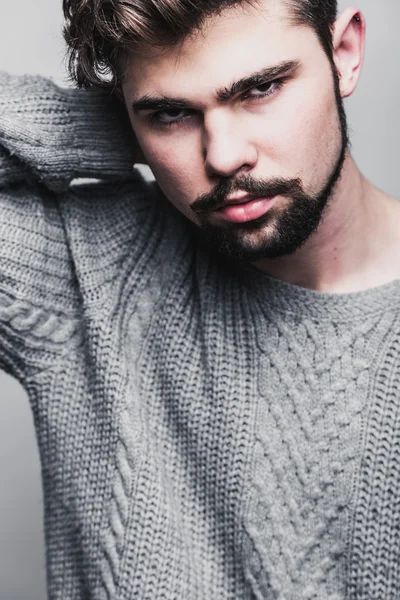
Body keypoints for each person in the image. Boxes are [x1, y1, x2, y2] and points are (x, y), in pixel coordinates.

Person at [1, 0, 399, 598]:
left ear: (343, 53)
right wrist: (109, 128)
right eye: (171, 113)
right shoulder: (80, 268)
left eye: (261, 88)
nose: (222, 156)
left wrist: (154, 120)